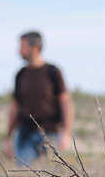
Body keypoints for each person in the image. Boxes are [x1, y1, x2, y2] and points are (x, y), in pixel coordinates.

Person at [5, 31, 73, 164]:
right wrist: (8, 137)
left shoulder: (52, 71)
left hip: (50, 133)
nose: (19, 51)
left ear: (35, 47)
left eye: (22, 46)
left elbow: (65, 103)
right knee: (24, 174)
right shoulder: (21, 74)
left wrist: (66, 133)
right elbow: (15, 106)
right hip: (24, 135)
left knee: (50, 172)